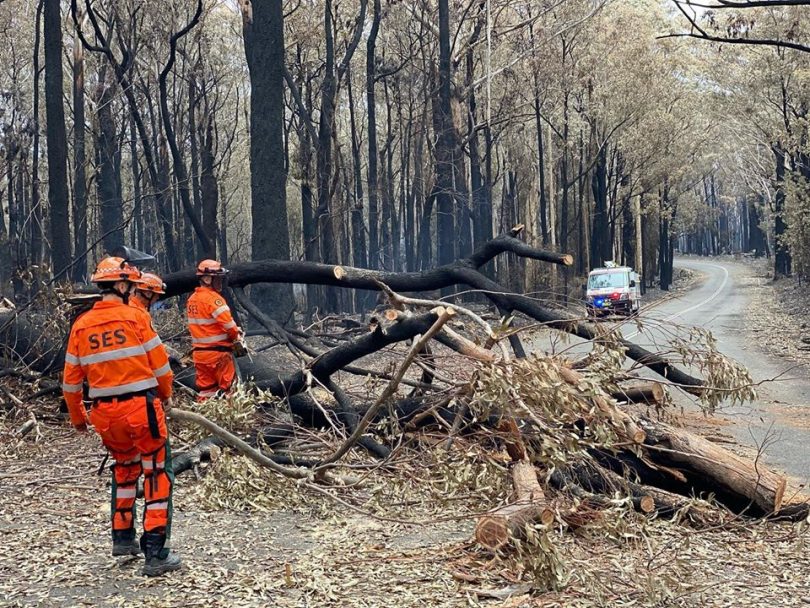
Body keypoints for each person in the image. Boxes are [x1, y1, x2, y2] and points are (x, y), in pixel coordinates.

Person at [61, 257, 181, 577]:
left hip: (104, 415)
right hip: (140, 410)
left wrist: (78, 419)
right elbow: (161, 368)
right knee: (156, 473)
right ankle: (156, 552)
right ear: (123, 285)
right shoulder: (135, 318)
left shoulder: (81, 325)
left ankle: (122, 538)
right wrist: (166, 397)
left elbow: (71, 383)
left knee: (125, 471)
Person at [186, 259, 245, 400]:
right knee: (230, 390)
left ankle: (205, 419)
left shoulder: (192, 299)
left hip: (200, 355)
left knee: (206, 392)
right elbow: (229, 326)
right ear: (207, 279)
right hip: (219, 355)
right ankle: (231, 419)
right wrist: (236, 336)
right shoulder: (214, 300)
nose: (220, 281)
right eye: (218, 278)